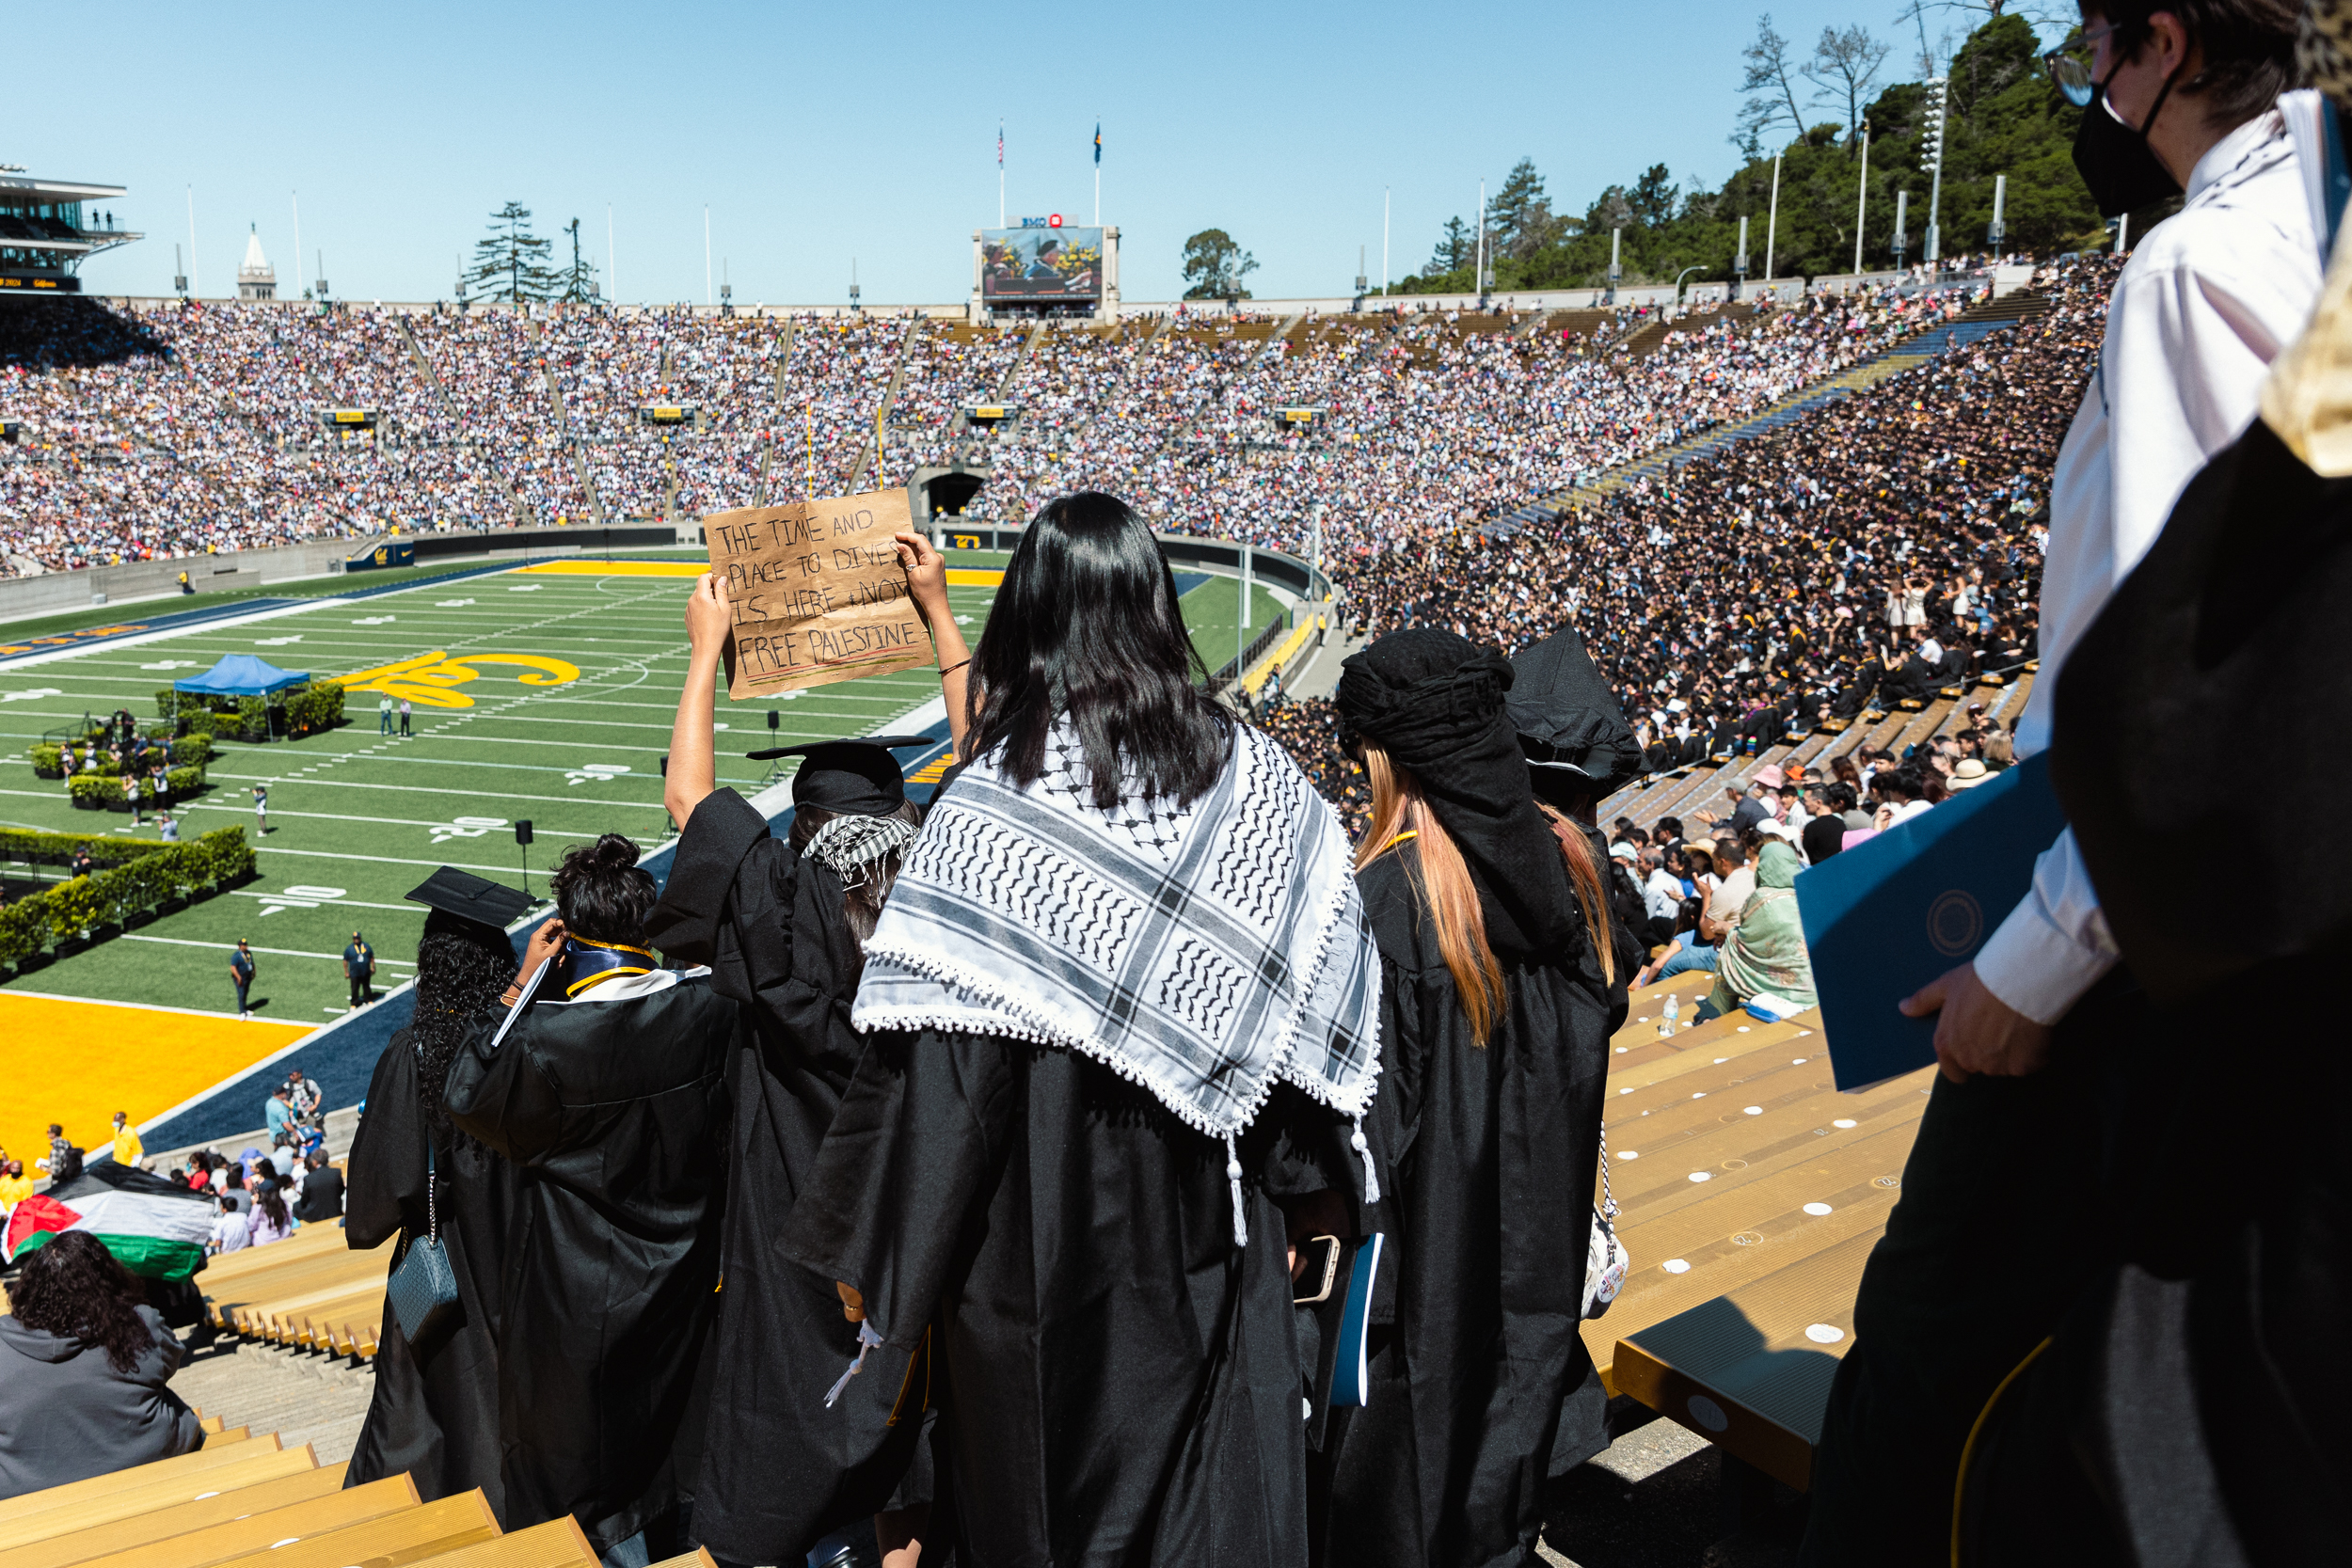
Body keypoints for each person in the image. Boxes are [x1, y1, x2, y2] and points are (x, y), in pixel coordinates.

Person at [1801, 3, 2321, 1563]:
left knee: (1930, 1360)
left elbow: (2188, 692)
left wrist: (2028, 968)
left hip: (2117, 969)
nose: (2084, 80)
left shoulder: (2195, 264)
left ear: (2165, 45)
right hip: (2254, 951)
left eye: (2094, 41)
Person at [781, 492, 1381, 1564]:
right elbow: (1307, 1014)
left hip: (1036, 1242)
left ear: (1028, 613)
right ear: (1157, 603)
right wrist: (1310, 1192)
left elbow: (940, 1085)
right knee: (1211, 1503)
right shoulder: (1262, 787)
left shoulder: (989, 811)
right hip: (1215, 1215)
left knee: (1047, 1507)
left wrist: (883, 1265)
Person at [653, 564, 946, 1568]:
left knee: (779, 1422)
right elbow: (994, 765)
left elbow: (690, 799)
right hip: (917, 1220)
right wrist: (939, 614)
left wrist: (704, 649)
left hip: (798, 1228)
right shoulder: (952, 898)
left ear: (805, 827)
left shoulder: (786, 909)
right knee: (912, 1436)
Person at [1311, 628, 1615, 1567]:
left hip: (1410, 1287)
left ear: (1389, 758)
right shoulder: (1572, 873)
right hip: (1532, 1257)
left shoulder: (1378, 903)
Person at [443, 834, 734, 1563]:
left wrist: (519, 984)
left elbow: (465, 1093)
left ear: (569, 940)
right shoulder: (707, 1011)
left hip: (576, 1303)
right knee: (676, 1464)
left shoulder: (546, 1041)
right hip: (687, 1278)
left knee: (584, 1502)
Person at [345, 866, 532, 1518]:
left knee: (434, 1436)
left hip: (449, 1276)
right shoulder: (530, 1043)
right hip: (534, 1263)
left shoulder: (416, 1053)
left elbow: (369, 1212)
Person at [0, 1231, 203, 1499]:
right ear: (109, 1277)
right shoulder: (139, 1323)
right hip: (146, 1460)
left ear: (30, 1288)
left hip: (26, 1486)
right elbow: (170, 1360)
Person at [1702, 840, 1819, 1021]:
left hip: (1788, 990)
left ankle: (1720, 1014)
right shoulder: (1809, 892)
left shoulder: (1763, 898)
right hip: (1814, 987)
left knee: (1730, 949)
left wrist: (1727, 931)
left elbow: (1745, 941)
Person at [293, 1148, 343, 1224]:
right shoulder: (336, 1172)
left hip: (315, 1216)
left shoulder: (309, 1178)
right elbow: (341, 1191)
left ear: (315, 1162)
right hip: (335, 1211)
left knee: (296, 1206)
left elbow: (304, 1200)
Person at [247, 1178, 292, 1245]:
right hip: (284, 1236)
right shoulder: (282, 1203)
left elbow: (251, 1226)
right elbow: (290, 1219)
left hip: (264, 1241)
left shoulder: (258, 1207)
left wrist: (253, 1206)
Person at [343, 930, 376, 1010]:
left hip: (365, 971)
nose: (356, 939)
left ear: (360, 938)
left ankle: (368, 999)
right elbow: (345, 961)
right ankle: (354, 1003)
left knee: (366, 986)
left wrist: (373, 967)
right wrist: (346, 972)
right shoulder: (349, 949)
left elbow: (371, 957)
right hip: (354, 972)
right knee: (354, 988)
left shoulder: (366, 946)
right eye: (355, 938)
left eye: (357, 938)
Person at [230, 939, 255, 1018]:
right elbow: (233, 968)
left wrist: (254, 972)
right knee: (241, 994)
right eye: (244, 945)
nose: (246, 946)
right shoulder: (236, 956)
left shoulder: (248, 954)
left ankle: (244, 1009)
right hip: (240, 978)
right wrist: (238, 977)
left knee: (245, 993)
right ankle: (242, 1012)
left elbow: (252, 963)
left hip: (247, 976)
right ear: (240, 946)